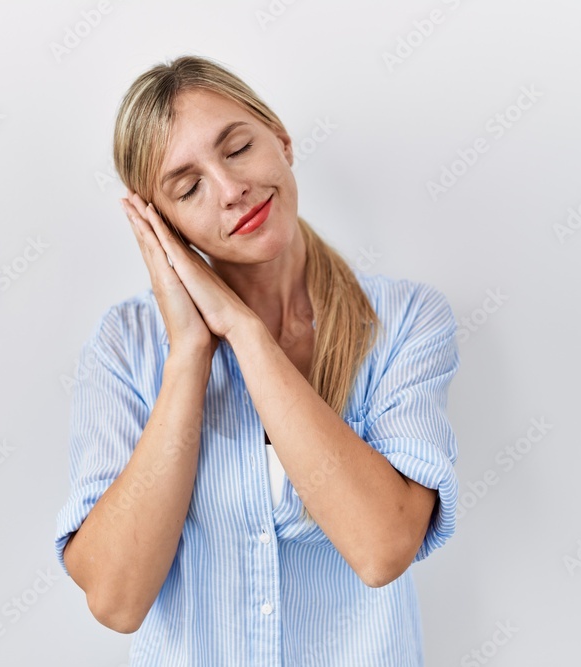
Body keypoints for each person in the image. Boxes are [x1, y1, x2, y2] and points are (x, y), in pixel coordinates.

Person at [54, 54, 461, 666]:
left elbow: (381, 547)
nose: (229, 189)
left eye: (238, 148)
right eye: (188, 188)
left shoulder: (405, 321)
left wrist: (244, 331)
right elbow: (117, 599)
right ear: (164, 224)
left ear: (282, 138)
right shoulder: (126, 345)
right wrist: (190, 353)